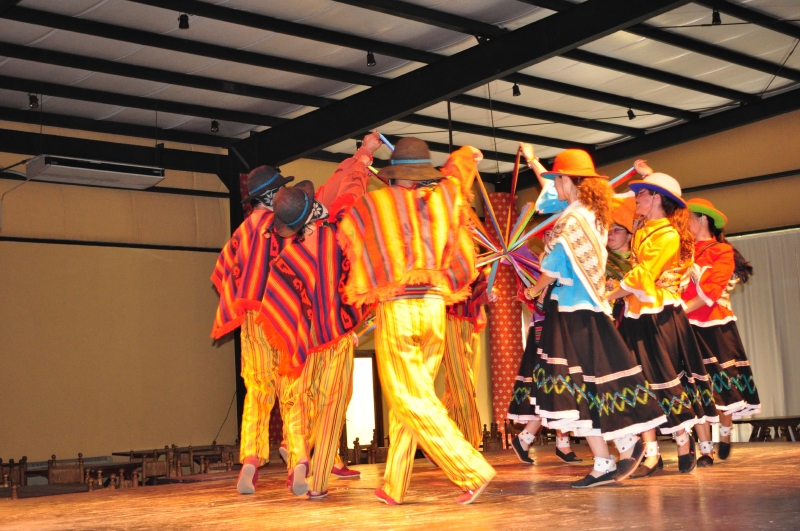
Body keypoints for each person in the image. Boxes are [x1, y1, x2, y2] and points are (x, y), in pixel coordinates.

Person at [338, 138, 496, 505]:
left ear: (393, 175)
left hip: (399, 310)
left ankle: (471, 469)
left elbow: (347, 227)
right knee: (412, 396)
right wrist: (467, 157)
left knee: (409, 396)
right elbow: (457, 178)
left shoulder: (377, 204)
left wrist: (361, 160)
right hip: (435, 309)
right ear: (423, 172)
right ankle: (394, 484)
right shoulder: (443, 201)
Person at [518, 149, 667, 488]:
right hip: (582, 308)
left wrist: (534, 289)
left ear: (568, 181)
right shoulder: (590, 214)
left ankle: (621, 447)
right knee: (582, 386)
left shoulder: (574, 219)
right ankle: (610, 455)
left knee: (580, 385)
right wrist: (534, 162)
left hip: (576, 312)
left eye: (558, 179)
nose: (554, 185)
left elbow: (554, 264)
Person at [259, 132, 381, 499]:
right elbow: (353, 191)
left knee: (301, 402)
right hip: (338, 337)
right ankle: (319, 480)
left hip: (306, 342)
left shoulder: (288, 259)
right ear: (314, 207)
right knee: (331, 408)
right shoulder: (339, 229)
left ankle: (298, 456)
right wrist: (365, 154)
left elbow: (276, 306)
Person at [606, 173, 719, 478]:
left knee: (664, 379)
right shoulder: (641, 227)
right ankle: (652, 454)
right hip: (636, 313)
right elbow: (611, 203)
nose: (636, 199)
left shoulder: (668, 235)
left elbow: (643, 274)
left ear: (656, 198)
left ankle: (683, 442)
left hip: (660, 314)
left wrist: (609, 293)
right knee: (639, 384)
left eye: (641, 193)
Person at [210, 165, 294, 495]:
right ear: (271, 196)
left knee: (258, 390)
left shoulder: (241, 232)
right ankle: (295, 455)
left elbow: (221, 274)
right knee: (291, 388)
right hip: (282, 316)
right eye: (281, 191)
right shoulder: (283, 226)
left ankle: (250, 459)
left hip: (251, 320)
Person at [507, 143, 583, 465]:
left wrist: (533, 160)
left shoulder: (575, 224)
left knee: (564, 379)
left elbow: (553, 188)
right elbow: (551, 186)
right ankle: (548, 440)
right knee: (560, 377)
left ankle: (532, 438)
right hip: (551, 317)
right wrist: (534, 161)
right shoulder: (550, 247)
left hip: (568, 312)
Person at [683, 198, 761, 462]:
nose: (684, 225)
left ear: (703, 219)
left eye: (688, 219)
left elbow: (713, 290)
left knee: (723, 383)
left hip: (715, 324)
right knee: (695, 386)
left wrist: (683, 309)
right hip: (687, 326)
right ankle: (705, 450)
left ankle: (725, 434)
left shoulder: (722, 251)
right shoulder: (681, 252)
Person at [442, 268, 491, 450]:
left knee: (461, 383)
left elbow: (479, 290)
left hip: (470, 321)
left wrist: (488, 294)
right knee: (461, 380)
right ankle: (470, 441)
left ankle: (441, 435)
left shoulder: (480, 262)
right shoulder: (444, 255)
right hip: (447, 317)